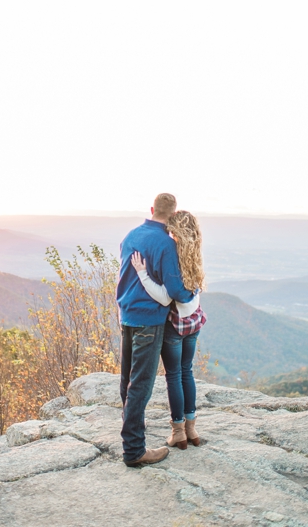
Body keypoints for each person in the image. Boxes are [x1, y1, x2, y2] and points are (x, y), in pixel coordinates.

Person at [116, 193, 195, 467]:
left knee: (127, 381)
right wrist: (192, 291)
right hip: (149, 320)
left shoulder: (131, 236)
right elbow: (176, 291)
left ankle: (130, 441)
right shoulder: (165, 244)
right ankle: (135, 450)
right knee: (141, 385)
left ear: (152, 209)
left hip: (126, 315)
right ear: (173, 215)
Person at [131, 210, 207, 449]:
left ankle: (178, 432)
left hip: (175, 325)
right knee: (187, 372)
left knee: (174, 375)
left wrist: (142, 274)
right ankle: (192, 429)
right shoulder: (194, 254)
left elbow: (166, 297)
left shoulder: (174, 256)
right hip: (193, 322)